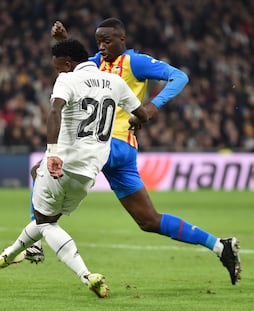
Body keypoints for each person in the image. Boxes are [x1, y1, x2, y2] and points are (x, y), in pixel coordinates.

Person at [24, 18, 241, 286]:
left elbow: (179, 76)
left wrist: (152, 107)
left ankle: (36, 241)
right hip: (119, 152)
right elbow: (73, 62)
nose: (102, 46)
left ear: (122, 40)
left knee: (40, 169)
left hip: (108, 145)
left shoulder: (133, 62)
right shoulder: (95, 63)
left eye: (107, 41)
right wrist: (62, 40)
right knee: (148, 220)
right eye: (98, 42)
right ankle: (221, 246)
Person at [0, 39, 149, 298]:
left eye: (58, 67)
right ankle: (8, 254)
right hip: (89, 172)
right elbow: (142, 114)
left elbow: (54, 111)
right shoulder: (116, 82)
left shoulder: (67, 80)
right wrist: (135, 121)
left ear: (68, 63)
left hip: (63, 162)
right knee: (47, 215)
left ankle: (86, 275)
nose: (58, 71)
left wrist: (53, 153)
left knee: (45, 223)